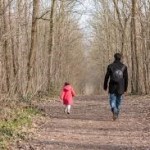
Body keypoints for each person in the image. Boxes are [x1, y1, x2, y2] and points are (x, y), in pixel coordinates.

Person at [103, 53, 128, 120]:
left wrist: (105, 86)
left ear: (114, 57)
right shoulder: (124, 67)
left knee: (112, 100)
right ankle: (116, 113)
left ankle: (114, 109)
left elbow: (106, 77)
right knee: (119, 101)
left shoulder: (110, 66)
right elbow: (126, 78)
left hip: (112, 86)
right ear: (120, 58)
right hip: (121, 87)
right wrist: (125, 88)